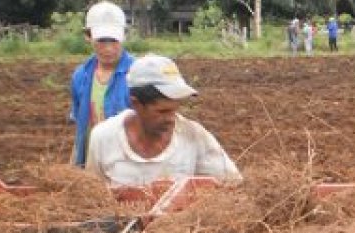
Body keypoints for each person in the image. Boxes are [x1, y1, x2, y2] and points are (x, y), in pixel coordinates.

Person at [86, 55, 242, 186]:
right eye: (162, 111)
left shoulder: (194, 136)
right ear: (136, 104)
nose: (171, 119)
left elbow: (232, 183)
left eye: (175, 109)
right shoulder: (103, 138)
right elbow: (93, 195)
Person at [70, 1, 134, 167]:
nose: (108, 49)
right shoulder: (80, 76)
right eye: (101, 41)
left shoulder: (137, 74)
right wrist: (74, 164)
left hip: (126, 163)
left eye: (113, 41)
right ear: (88, 36)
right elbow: (81, 126)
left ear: (124, 36)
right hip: (91, 162)